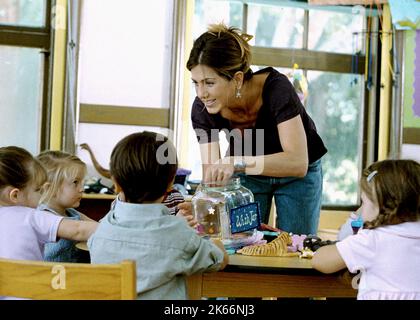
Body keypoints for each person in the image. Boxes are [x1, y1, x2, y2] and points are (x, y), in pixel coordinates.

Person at [186, 23, 327, 235]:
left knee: (295, 246)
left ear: (237, 79)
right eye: (195, 83)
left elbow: (297, 163)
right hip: (247, 172)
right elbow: (212, 175)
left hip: (296, 175)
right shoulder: (202, 109)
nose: (201, 93)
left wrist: (235, 162)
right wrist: (197, 207)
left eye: (209, 82)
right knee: (241, 243)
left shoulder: (277, 89)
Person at [87, 131, 228, 299]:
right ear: (171, 184)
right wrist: (215, 240)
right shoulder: (178, 235)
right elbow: (219, 259)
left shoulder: (102, 231)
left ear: (116, 185)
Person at [312, 159, 420, 300]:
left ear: (383, 206)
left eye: (364, 202)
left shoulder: (373, 239)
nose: (362, 209)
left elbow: (320, 261)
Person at [0, 146, 98, 262]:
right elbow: (78, 230)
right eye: (38, 190)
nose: (42, 195)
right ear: (15, 195)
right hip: (34, 279)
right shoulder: (33, 216)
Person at [80, 142, 195, 225]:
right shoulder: (121, 202)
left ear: (117, 186)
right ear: (171, 182)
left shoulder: (175, 198)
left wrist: (187, 216)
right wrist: (178, 225)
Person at [36, 150, 95, 262]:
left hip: (71, 273)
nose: (82, 189)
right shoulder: (42, 215)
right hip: (48, 276)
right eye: (75, 182)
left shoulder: (72, 213)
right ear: (50, 188)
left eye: (82, 182)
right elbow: (79, 230)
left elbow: (98, 228)